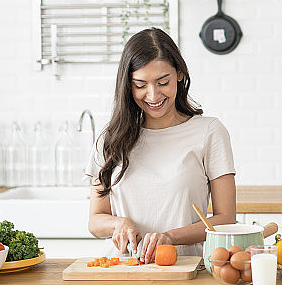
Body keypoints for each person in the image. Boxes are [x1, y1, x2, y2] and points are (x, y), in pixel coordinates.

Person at [87, 28, 236, 263]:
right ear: (127, 85)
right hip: (120, 271)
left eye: (162, 82)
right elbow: (95, 221)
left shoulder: (209, 132)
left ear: (179, 74)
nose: (153, 95)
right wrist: (119, 223)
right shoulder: (110, 139)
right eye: (140, 85)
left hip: (183, 270)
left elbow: (226, 219)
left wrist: (170, 237)